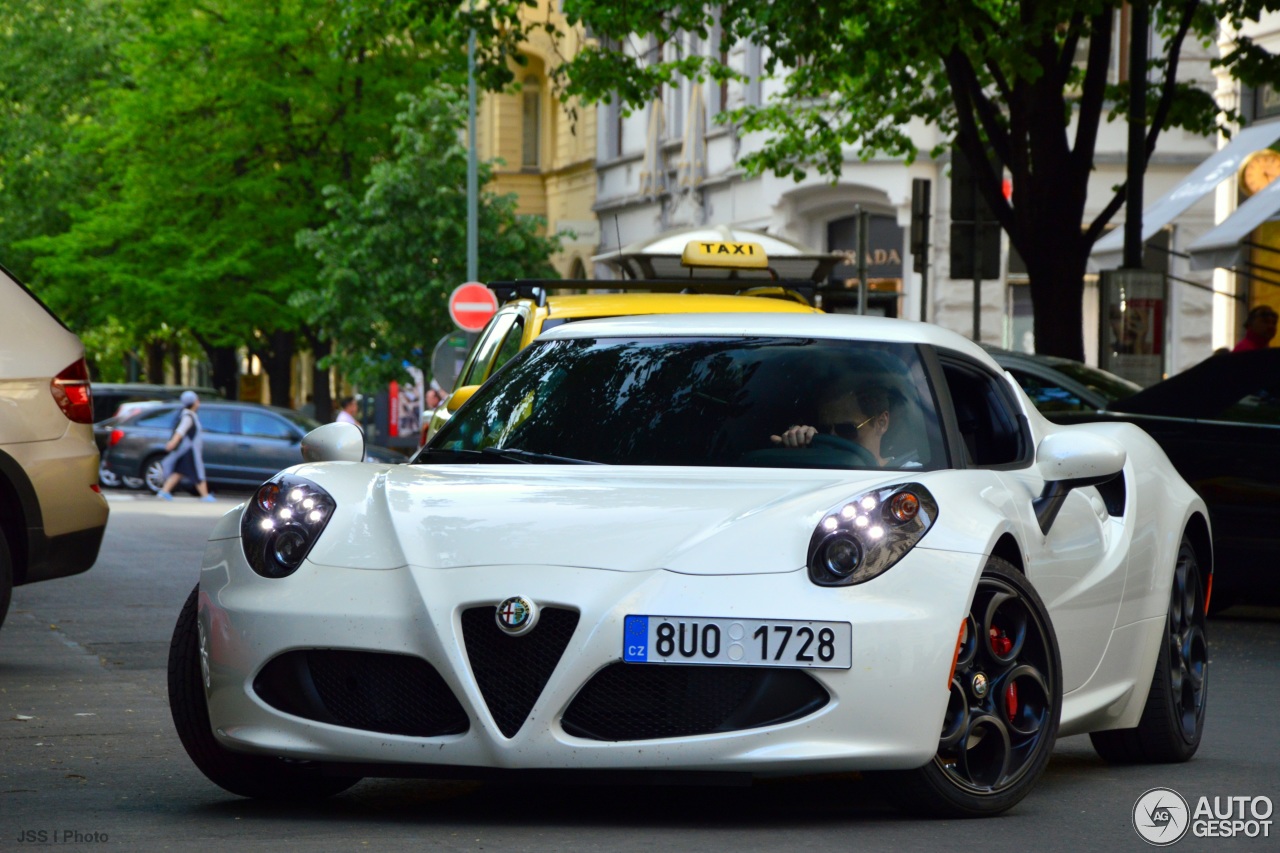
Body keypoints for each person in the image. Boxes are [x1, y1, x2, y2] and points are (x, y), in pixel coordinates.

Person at [771, 381, 893, 466]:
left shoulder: (905, 477)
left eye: (846, 429)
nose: (833, 437)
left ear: (881, 423)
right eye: (825, 430)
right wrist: (798, 450)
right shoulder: (814, 469)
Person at [156, 390, 214, 502]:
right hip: (190, 451)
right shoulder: (188, 416)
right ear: (195, 402)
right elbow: (180, 431)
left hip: (187, 450)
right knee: (197, 471)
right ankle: (205, 496)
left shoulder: (189, 415)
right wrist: (173, 442)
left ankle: (164, 492)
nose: (199, 402)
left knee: (179, 472)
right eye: (197, 400)